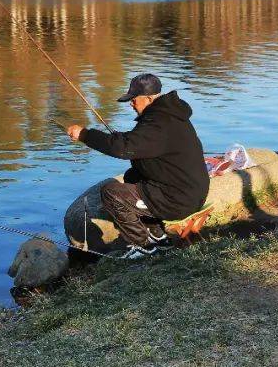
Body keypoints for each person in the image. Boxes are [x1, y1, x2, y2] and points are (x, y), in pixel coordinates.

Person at [67, 73, 209, 259]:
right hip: (191, 191)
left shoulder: (158, 124)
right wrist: (119, 140)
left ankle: (145, 247)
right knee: (133, 175)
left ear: (149, 98)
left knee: (111, 192)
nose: (131, 103)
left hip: (179, 199)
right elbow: (136, 143)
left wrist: (85, 135)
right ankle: (159, 237)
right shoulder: (170, 116)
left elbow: (123, 148)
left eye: (134, 99)